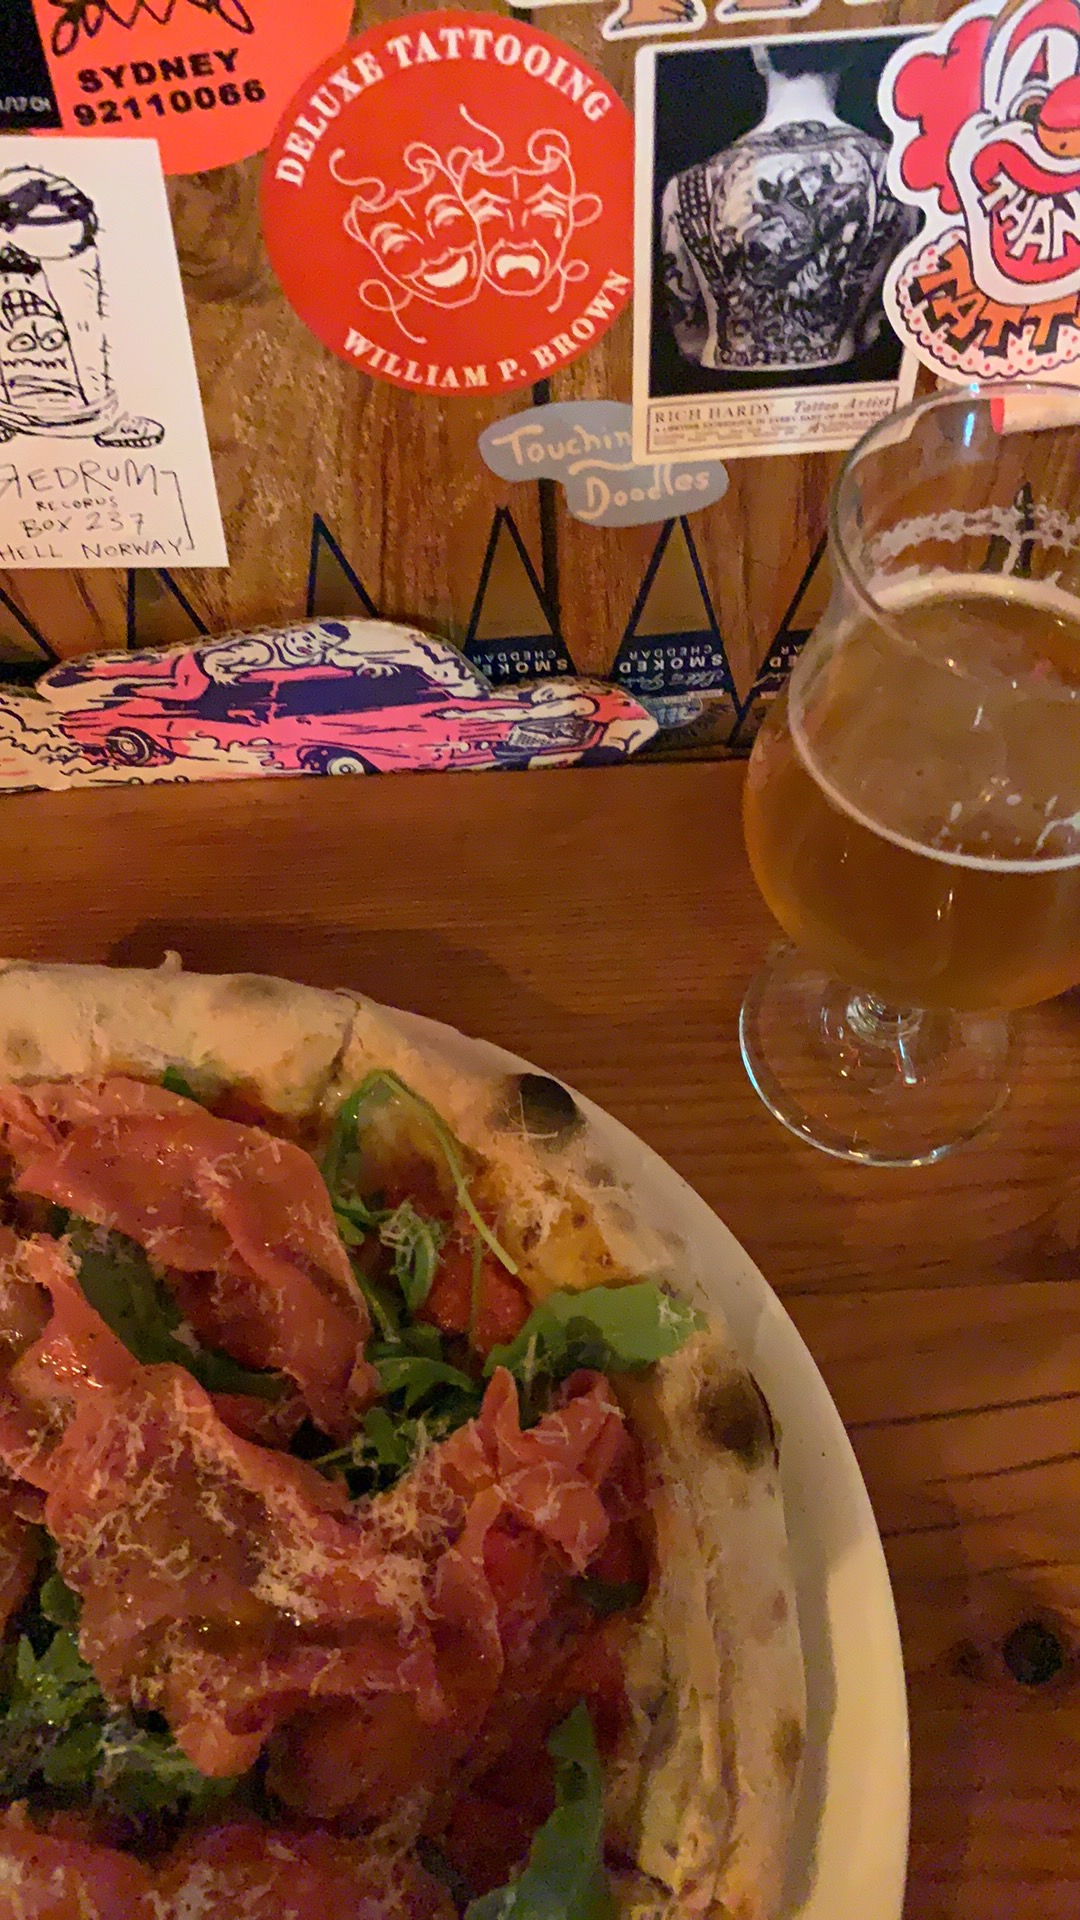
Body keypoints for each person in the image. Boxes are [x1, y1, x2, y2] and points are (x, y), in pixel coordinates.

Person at [660, 43, 915, 373]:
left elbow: (688, 336)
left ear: (759, 53)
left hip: (722, 389)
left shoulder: (687, 186)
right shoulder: (895, 175)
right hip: (840, 383)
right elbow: (875, 327)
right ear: (849, 54)